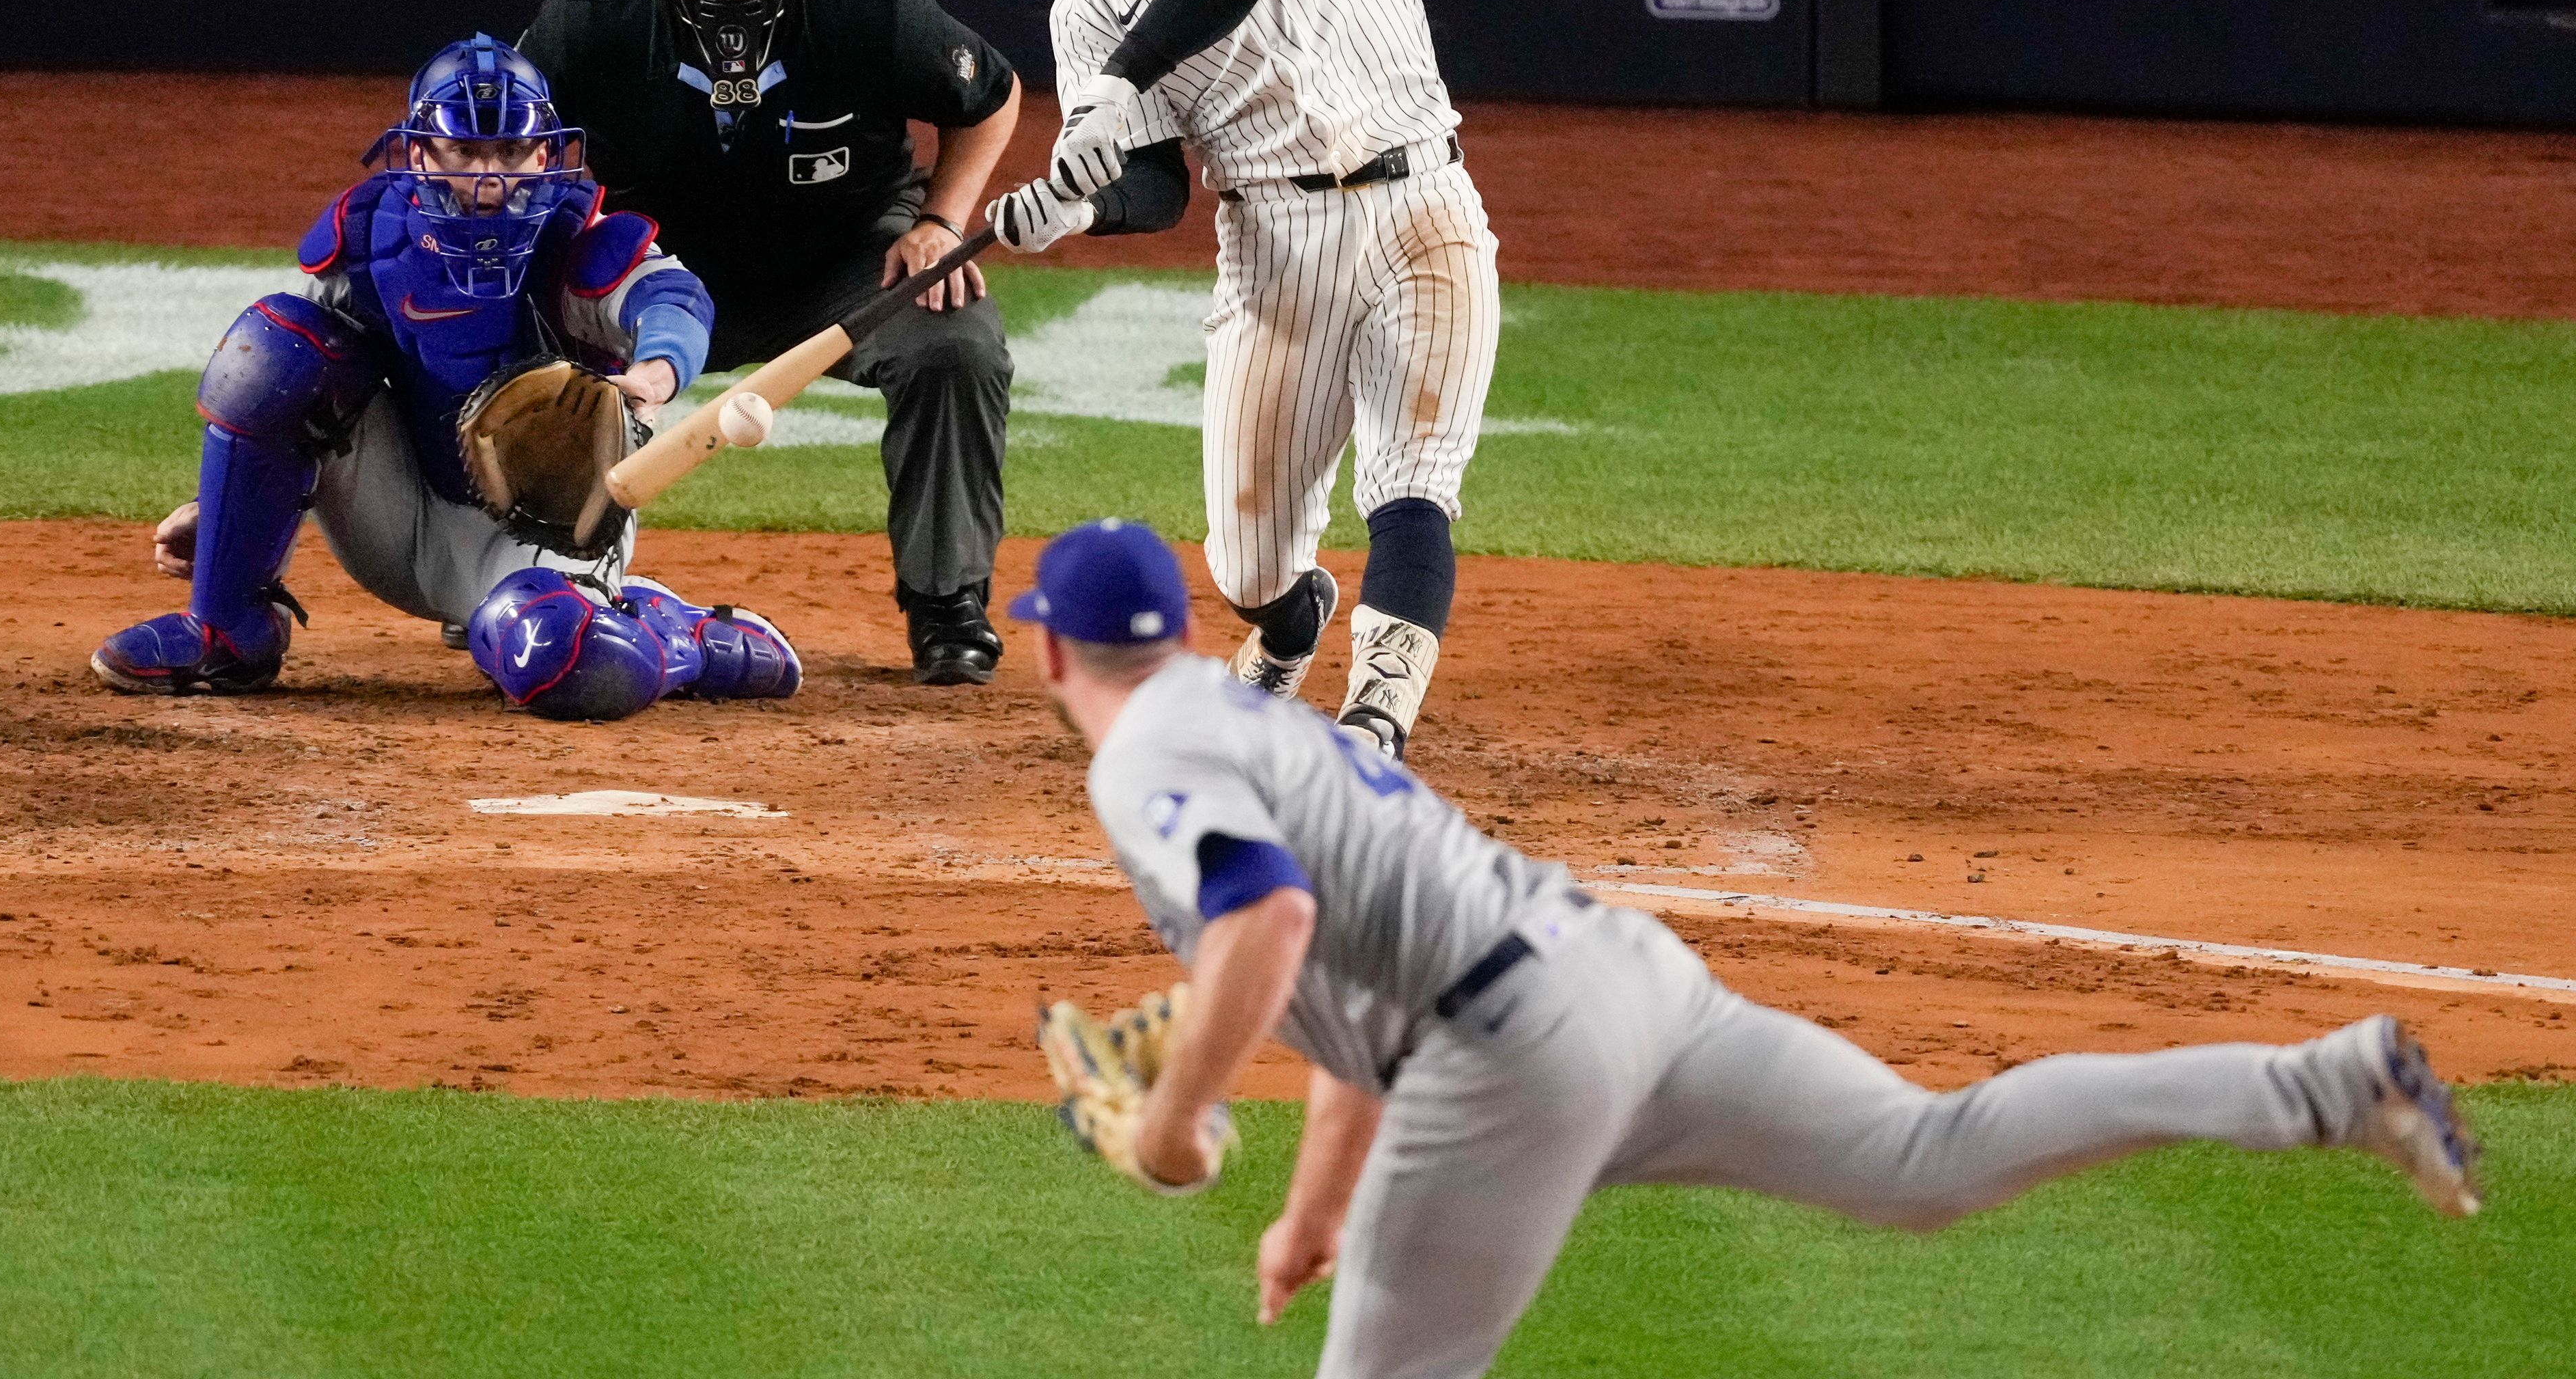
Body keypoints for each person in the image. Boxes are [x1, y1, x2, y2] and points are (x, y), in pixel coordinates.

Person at [1008, 517, 2484, 1379]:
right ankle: (2330, 1083)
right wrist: (1316, 1209)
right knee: (1928, 1155)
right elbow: (1366, 1003)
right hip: (1621, 978)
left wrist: (1186, 1115)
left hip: (1504, 1045)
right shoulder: (1252, 715)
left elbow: (1271, 917)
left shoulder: (1145, 757)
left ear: (1053, 649)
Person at [988, 0, 1498, 756]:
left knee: (1412, 480)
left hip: (1424, 199)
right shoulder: (1086, 5)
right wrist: (1082, 202)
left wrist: (1122, 89)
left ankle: (1374, 722)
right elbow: (1158, 186)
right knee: (1249, 565)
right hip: (1274, 240)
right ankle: (1292, 617)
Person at [93, 36, 801, 721]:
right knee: (274, 347)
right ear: (423, 151)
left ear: (546, 150)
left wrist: (653, 374)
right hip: (401, 515)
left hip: (554, 534)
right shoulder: (374, 238)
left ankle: (683, 636)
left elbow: (672, 302)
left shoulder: (573, 240)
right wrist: (227, 510)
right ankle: (229, 631)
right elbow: (293, 392)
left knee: (565, 661)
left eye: (511, 150)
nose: (491, 176)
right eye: (467, 150)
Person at [520, 0, 1023, 685]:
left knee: (955, 338)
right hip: (648, 276)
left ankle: (948, 605)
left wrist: (941, 223)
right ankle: (517, 580)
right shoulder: (591, 18)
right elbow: (511, 139)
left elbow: (990, 99)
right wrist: (545, 252)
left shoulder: (873, 14)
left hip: (837, 265)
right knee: (503, 325)